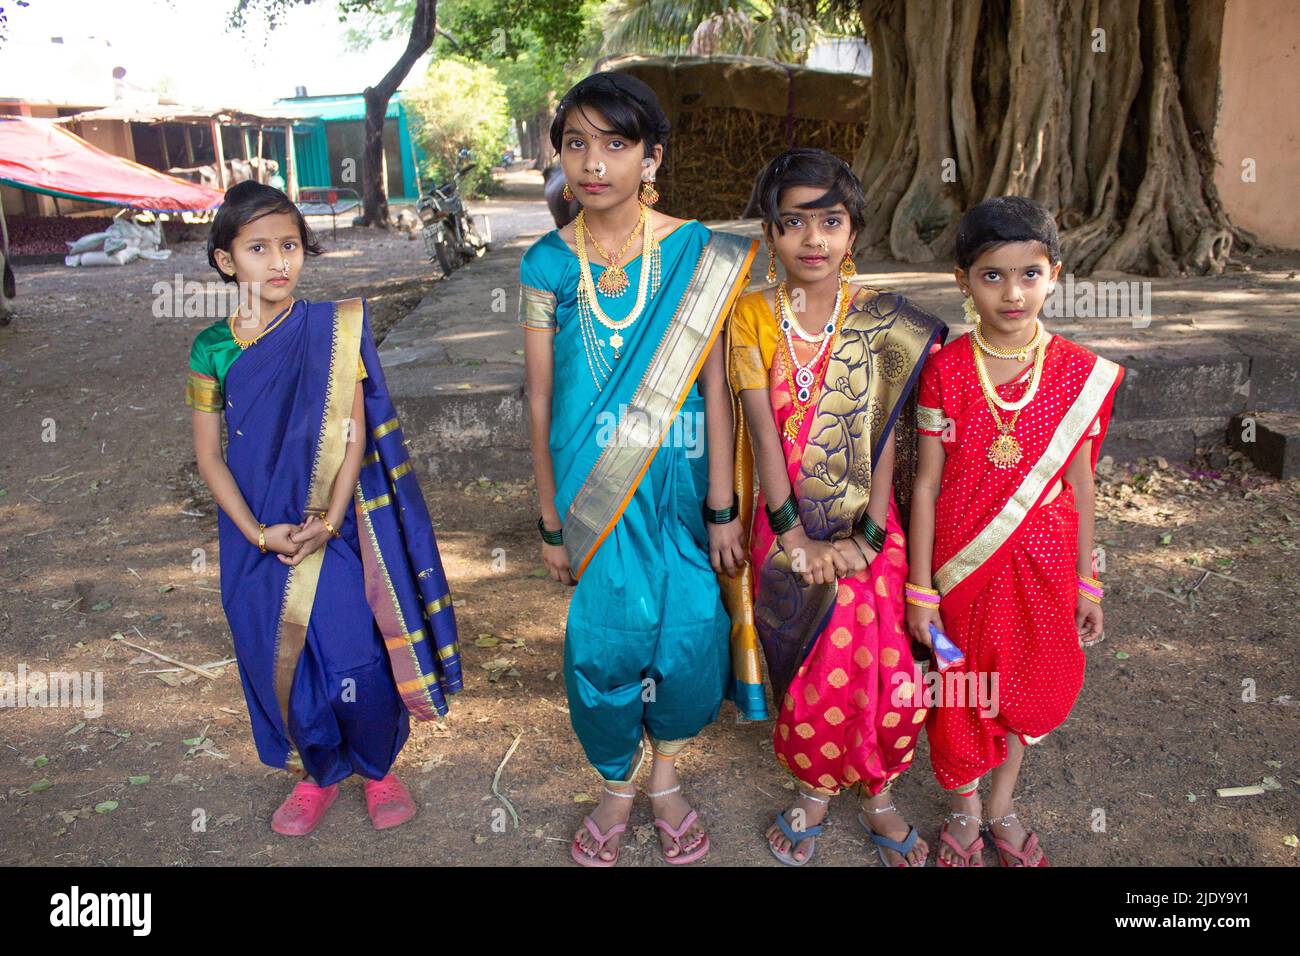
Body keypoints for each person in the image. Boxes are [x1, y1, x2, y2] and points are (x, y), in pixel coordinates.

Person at [519, 71, 756, 866]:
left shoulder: (702, 253)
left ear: (651, 157)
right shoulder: (547, 264)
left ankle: (666, 776)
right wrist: (551, 518)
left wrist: (722, 503)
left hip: (684, 489)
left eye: (616, 145)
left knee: (689, 640)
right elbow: (541, 400)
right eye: (576, 144)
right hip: (596, 492)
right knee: (604, 646)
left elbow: (719, 384)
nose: (594, 163)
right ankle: (617, 780)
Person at [186, 181, 461, 837]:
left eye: (290, 245)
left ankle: (378, 765)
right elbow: (209, 457)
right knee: (276, 659)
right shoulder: (211, 349)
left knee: (352, 657)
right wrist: (256, 533)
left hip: (328, 529)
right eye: (258, 248)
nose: (279, 261)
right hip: (254, 536)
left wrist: (331, 520)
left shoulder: (334, 331)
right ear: (227, 261)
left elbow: (353, 434)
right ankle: (317, 773)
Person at [725, 148, 947, 865]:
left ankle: (877, 793)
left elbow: (884, 437)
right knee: (816, 664)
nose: (812, 239)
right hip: (785, 525)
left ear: (854, 231)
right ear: (770, 235)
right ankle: (815, 790)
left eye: (831, 221)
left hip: (868, 529)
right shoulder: (753, 317)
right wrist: (793, 537)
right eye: (793, 223)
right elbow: (761, 431)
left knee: (886, 670)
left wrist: (871, 533)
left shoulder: (881, 320)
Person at [907, 195, 1123, 866]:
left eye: (1029, 274)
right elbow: (926, 483)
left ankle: (1003, 803)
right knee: (963, 686)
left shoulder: (1080, 374)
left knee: (1030, 683)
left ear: (1054, 274)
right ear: (962, 281)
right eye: (991, 275)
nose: (1012, 292)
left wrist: (1088, 579)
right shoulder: (944, 370)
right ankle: (966, 810)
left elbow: (1082, 484)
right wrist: (919, 589)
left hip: (1047, 567)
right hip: (959, 569)